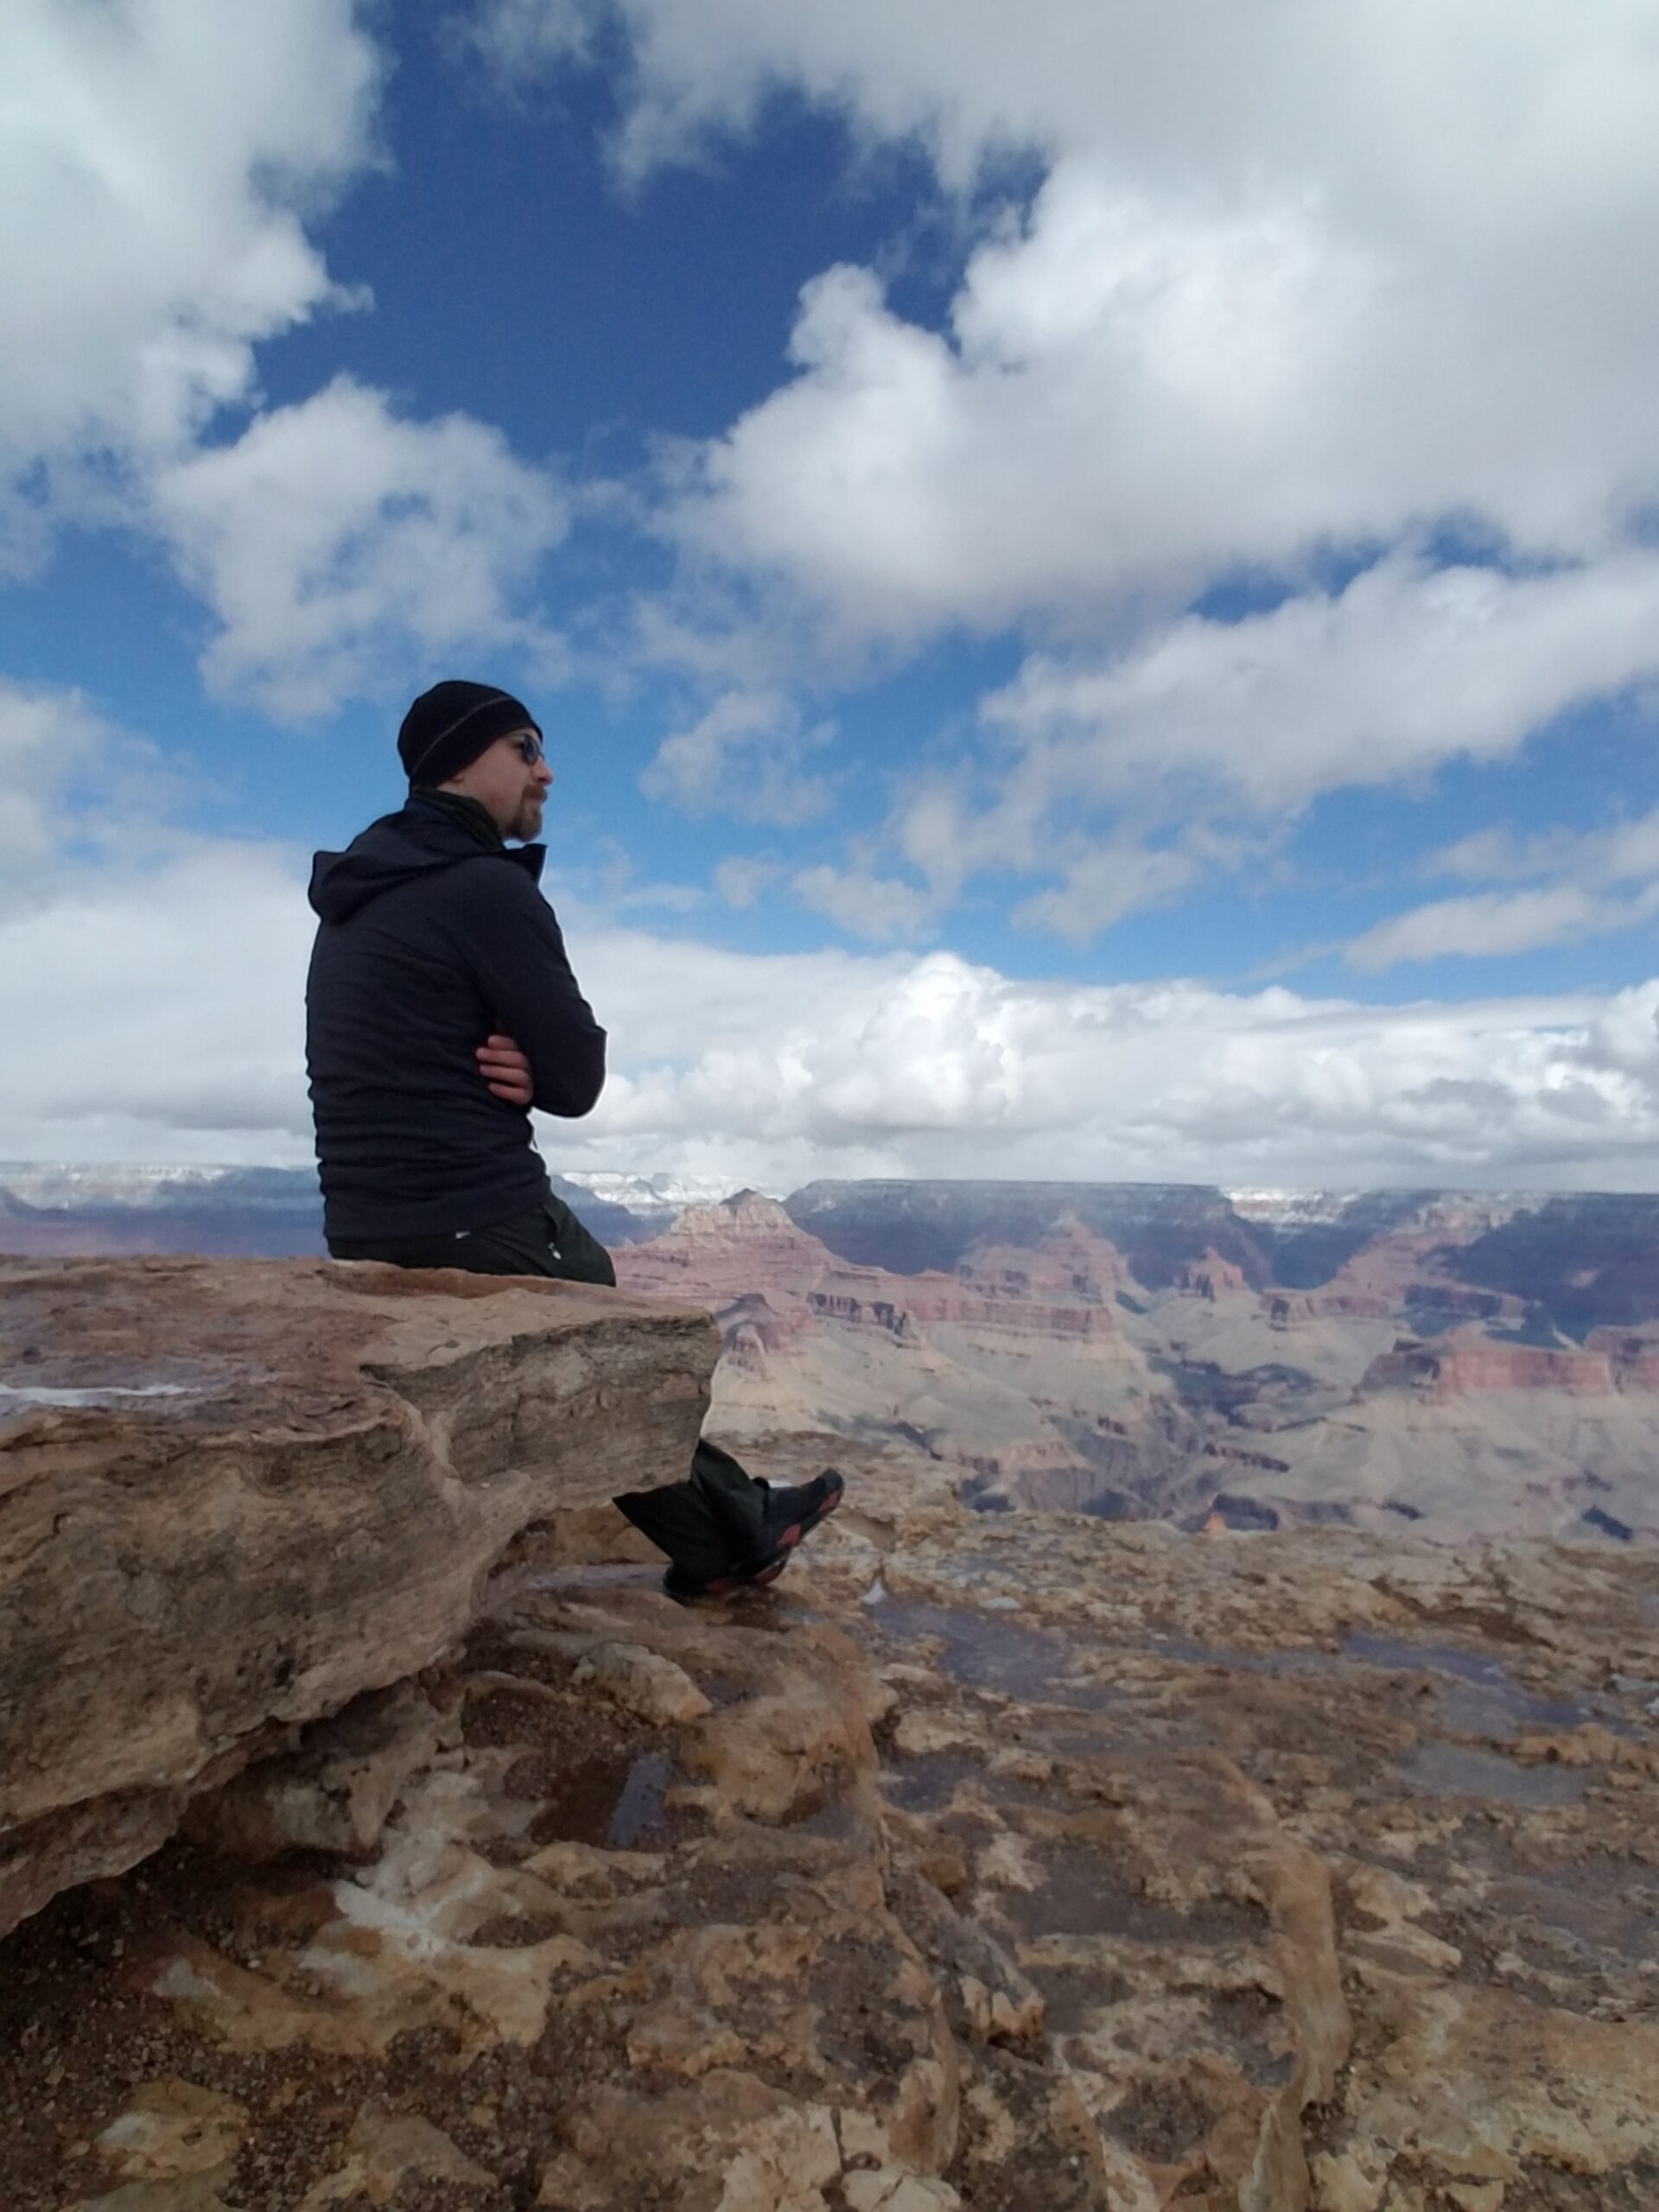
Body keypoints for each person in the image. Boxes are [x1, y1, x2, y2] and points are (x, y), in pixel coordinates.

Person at [305, 678, 842, 1598]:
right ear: (461, 763)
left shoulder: (363, 889)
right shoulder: (482, 889)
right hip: (470, 1211)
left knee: (589, 1316)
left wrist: (528, 1061)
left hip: (360, 1220)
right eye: (525, 747)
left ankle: (726, 1538)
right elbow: (580, 1078)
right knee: (603, 1319)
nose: (546, 770)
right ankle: (744, 1523)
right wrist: (539, 1068)